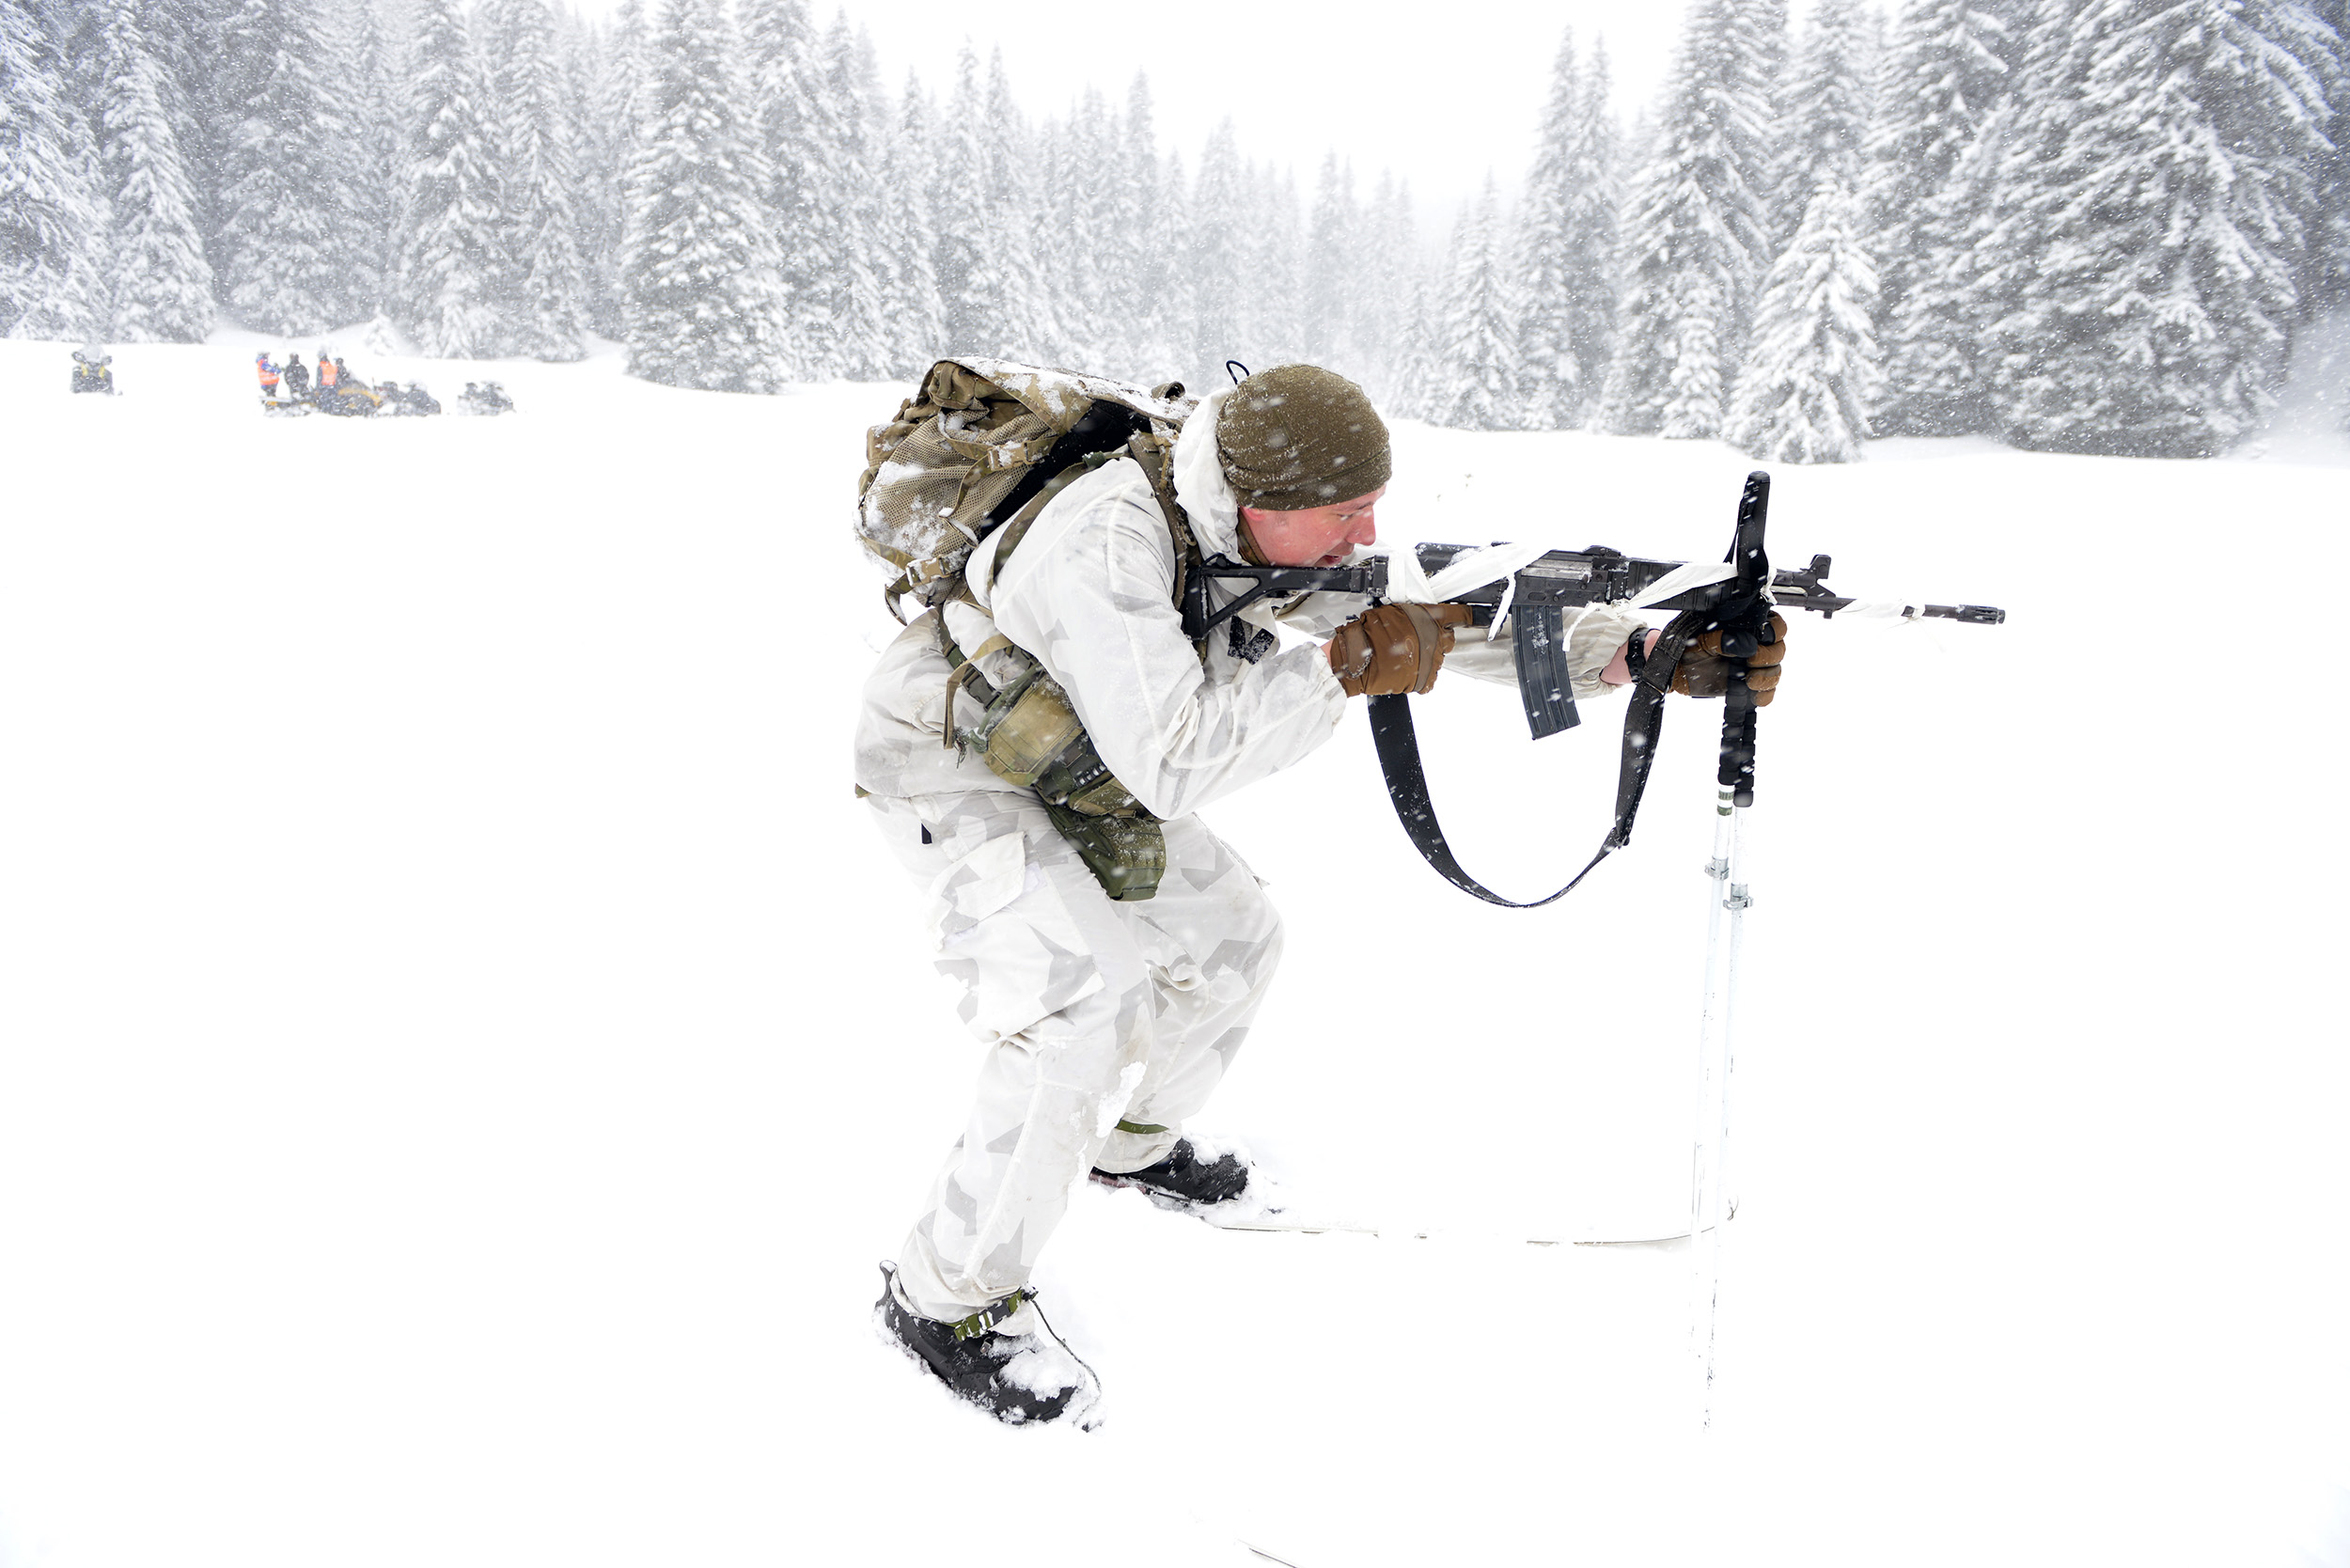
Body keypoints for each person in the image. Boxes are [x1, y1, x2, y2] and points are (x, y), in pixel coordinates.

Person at [854, 364, 1788, 1425]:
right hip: (954, 763)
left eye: (1370, 506)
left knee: (1236, 939)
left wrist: (1632, 653)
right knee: (1077, 1012)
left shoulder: (1246, 521)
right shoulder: (1103, 542)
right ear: (1262, 504)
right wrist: (1341, 674)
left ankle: (1134, 1148)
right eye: (1346, 513)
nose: (1367, 531)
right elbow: (1177, 761)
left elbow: (1414, 614)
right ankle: (946, 1303)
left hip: (1079, 756)